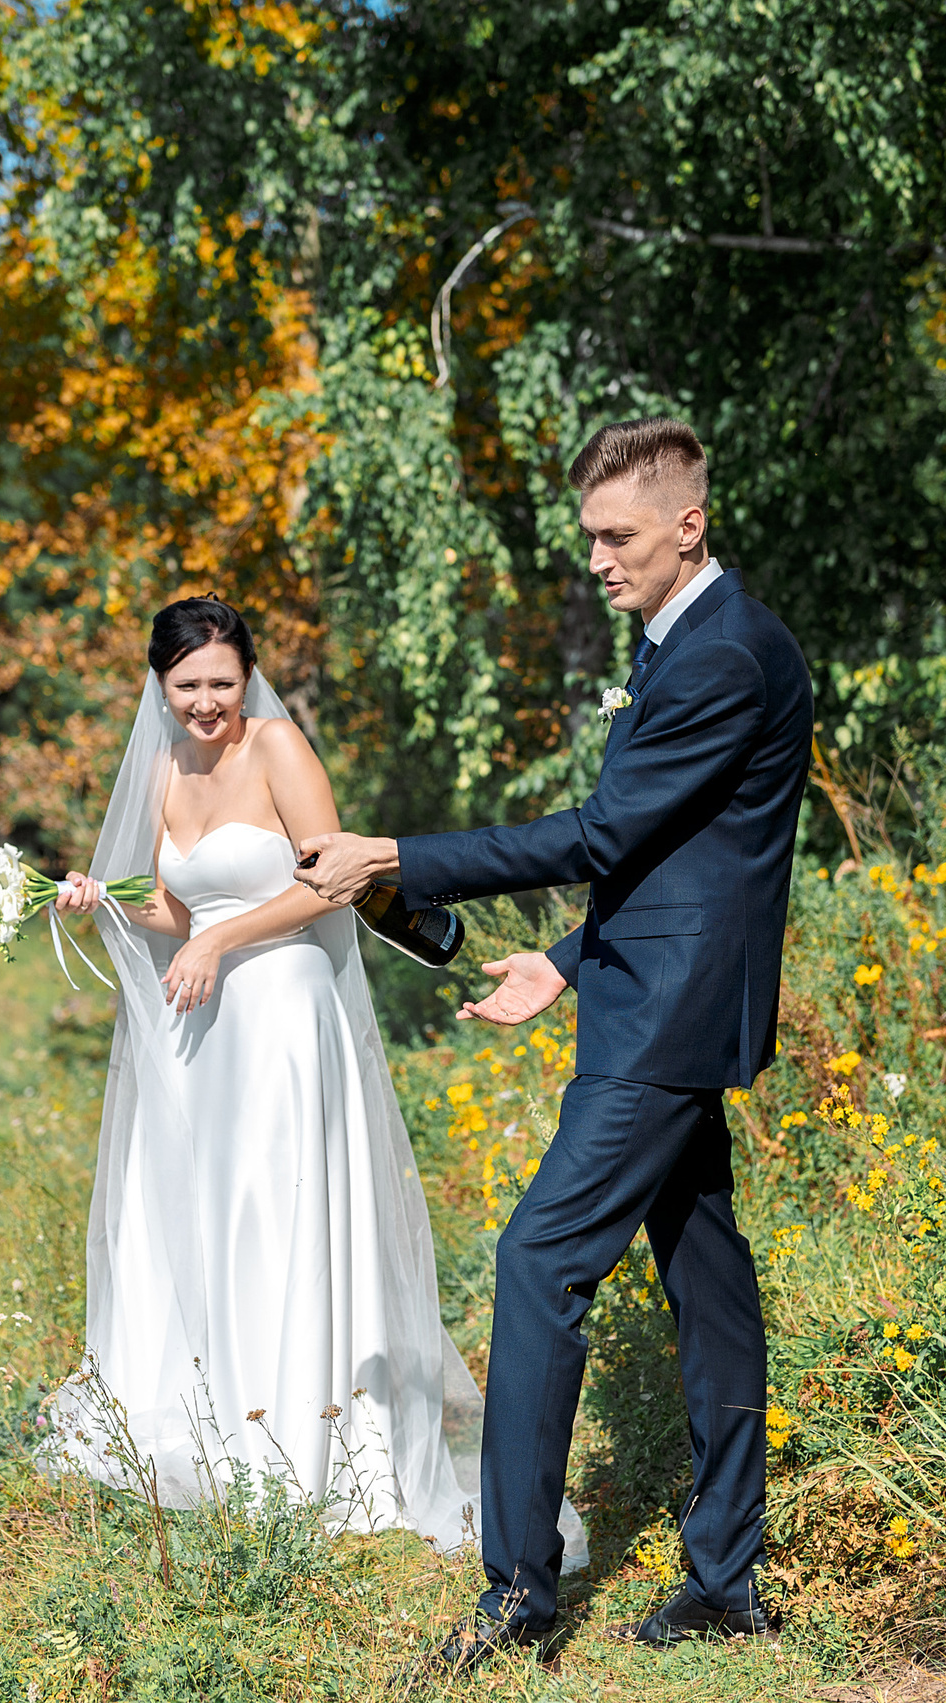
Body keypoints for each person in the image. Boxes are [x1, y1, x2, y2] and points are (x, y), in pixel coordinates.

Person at [298, 418, 813, 1675]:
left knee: (537, 1265)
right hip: (655, 995)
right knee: (708, 1287)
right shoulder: (690, 639)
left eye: (616, 535)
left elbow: (601, 832)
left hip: (664, 1023)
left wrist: (398, 857)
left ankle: (520, 1593)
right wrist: (565, 959)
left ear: (687, 524)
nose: (595, 557)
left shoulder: (724, 657)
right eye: (587, 536)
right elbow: (674, 852)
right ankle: (728, 1579)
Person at [43, 597, 589, 1567]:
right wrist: (107, 894)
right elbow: (175, 899)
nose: (207, 702)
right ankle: (233, 1430)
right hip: (206, 1023)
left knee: (282, 1208)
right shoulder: (167, 765)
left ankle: (316, 1445)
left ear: (247, 675)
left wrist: (221, 934)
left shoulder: (277, 750)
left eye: (222, 681)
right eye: (187, 686)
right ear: (158, 686)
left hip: (286, 1013)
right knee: (217, 1216)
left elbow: (327, 880)